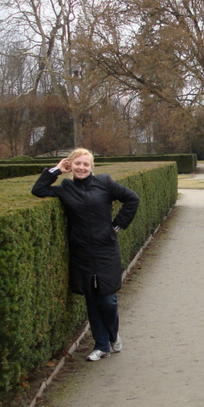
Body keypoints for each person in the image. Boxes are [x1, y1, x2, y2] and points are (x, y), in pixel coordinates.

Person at [32, 148, 140, 362]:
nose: (81, 167)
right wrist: (56, 170)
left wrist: (117, 225)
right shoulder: (65, 189)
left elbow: (132, 199)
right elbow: (38, 189)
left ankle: (112, 334)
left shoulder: (104, 183)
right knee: (92, 299)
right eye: (77, 163)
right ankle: (101, 346)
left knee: (108, 299)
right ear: (70, 165)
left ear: (91, 167)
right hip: (81, 252)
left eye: (86, 164)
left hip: (106, 249)